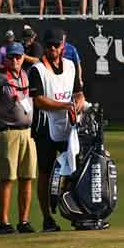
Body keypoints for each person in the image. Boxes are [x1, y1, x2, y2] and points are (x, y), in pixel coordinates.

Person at [28, 30, 84, 233]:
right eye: (49, 45)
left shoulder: (70, 66)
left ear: (63, 45)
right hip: (45, 127)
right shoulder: (37, 69)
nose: (53, 49)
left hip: (70, 127)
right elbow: (38, 100)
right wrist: (64, 105)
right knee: (45, 172)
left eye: (56, 45)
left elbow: (78, 93)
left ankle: (76, 211)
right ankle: (47, 218)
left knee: (74, 170)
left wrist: (78, 103)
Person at [0, 43, 36, 235]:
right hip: (8, 132)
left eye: (18, 57)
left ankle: (24, 221)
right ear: (6, 58)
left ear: (22, 58)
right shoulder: (0, 76)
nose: (15, 60)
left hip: (27, 132)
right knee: (8, 178)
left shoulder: (26, 75)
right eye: (11, 57)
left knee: (27, 177)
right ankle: (4, 223)